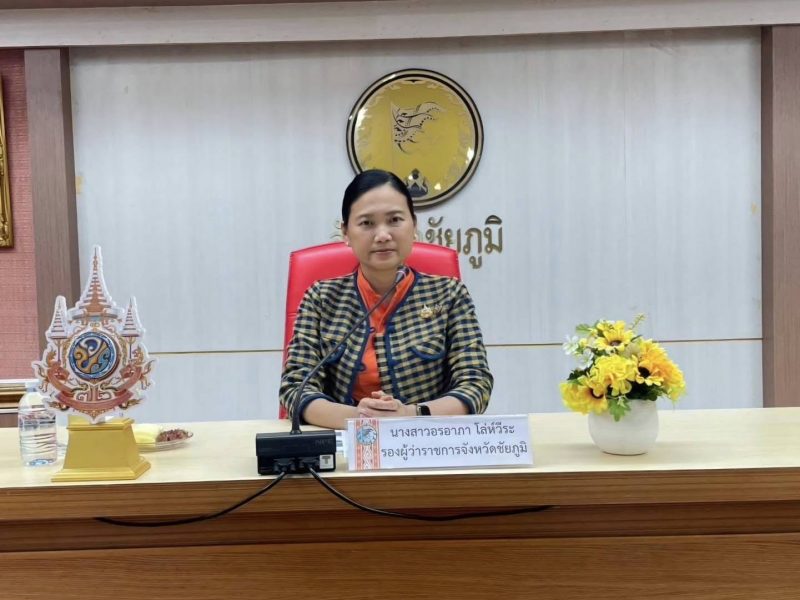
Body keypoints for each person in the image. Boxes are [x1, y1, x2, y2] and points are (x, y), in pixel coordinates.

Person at [279, 169, 493, 429]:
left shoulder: (449, 294)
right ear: (346, 233)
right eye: (367, 223)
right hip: (344, 442)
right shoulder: (321, 299)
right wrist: (361, 419)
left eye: (394, 220)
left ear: (414, 225)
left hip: (426, 442)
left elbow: (475, 384)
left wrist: (409, 415)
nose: (382, 235)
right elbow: (294, 388)